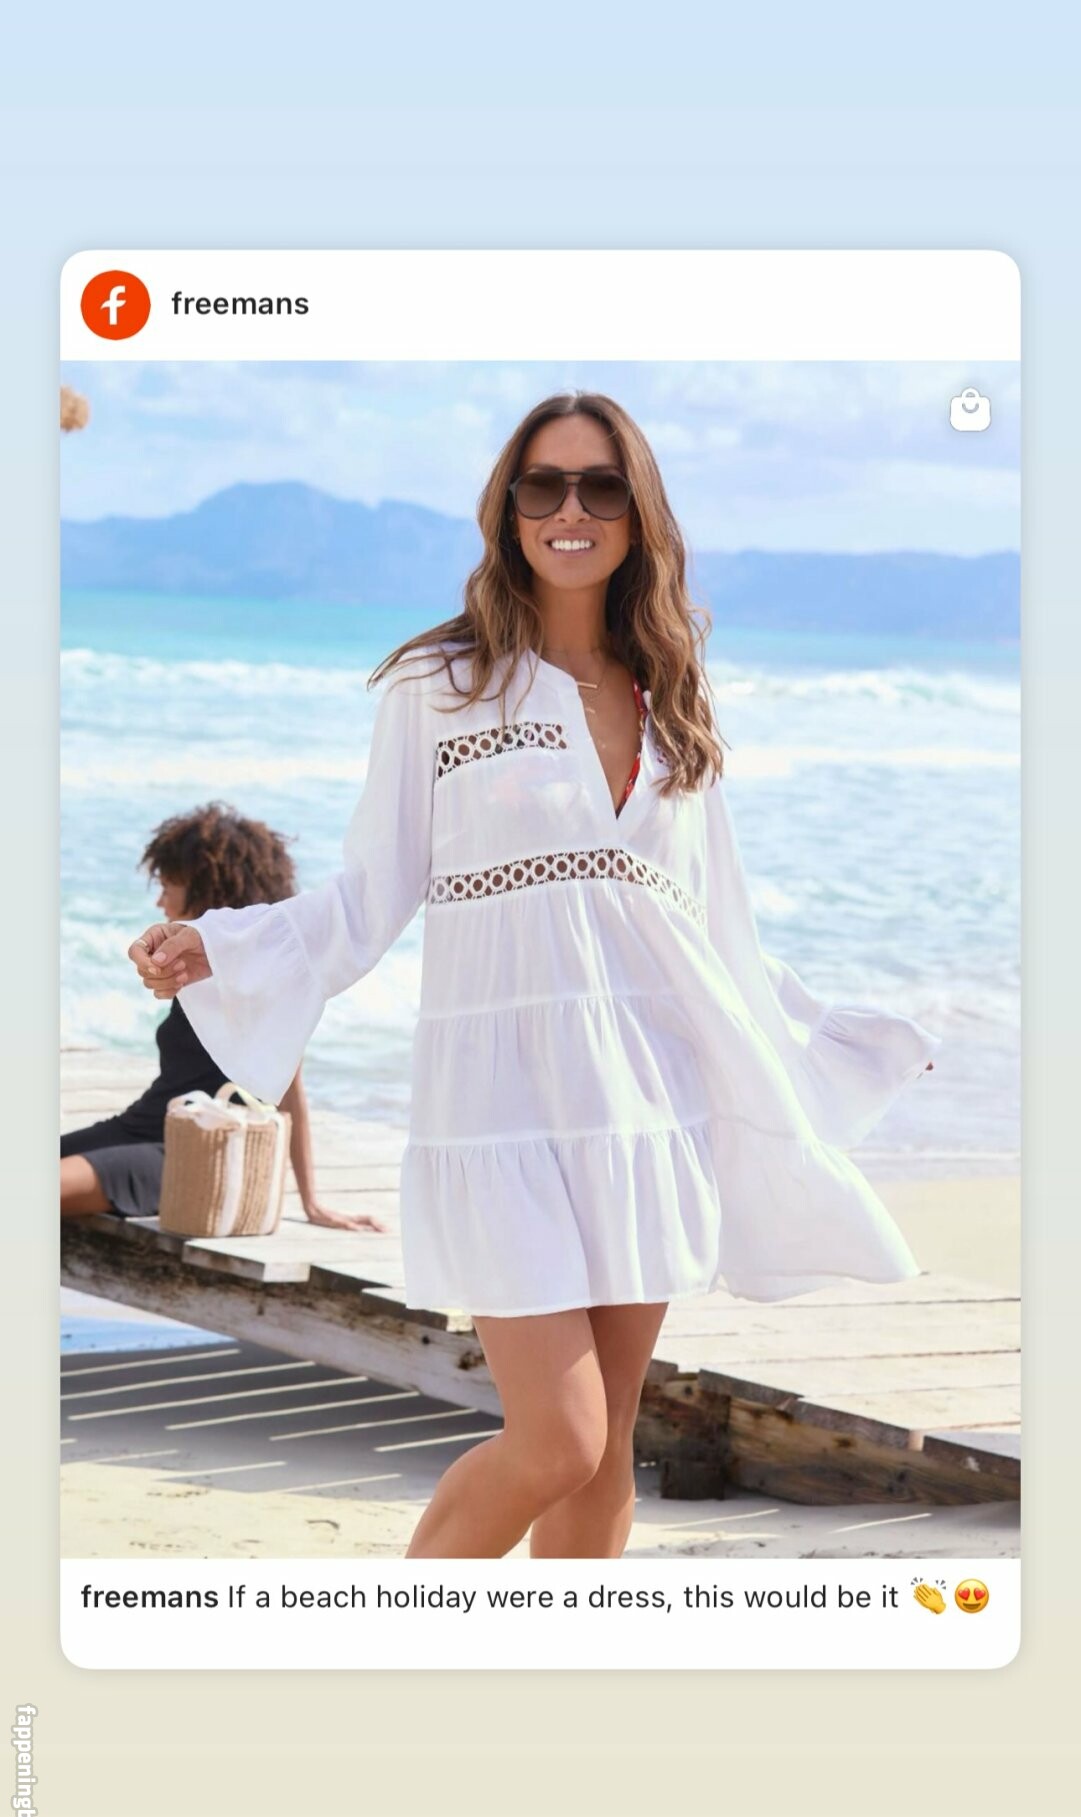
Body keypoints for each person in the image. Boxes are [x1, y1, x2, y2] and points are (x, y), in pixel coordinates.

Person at [127, 391, 936, 1560]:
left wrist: (831, 1037)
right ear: (508, 509)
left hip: (648, 1103)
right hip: (498, 1103)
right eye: (543, 485)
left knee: (605, 1456)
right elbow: (371, 888)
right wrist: (229, 942)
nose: (570, 509)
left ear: (635, 513)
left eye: (600, 486)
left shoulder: (671, 695)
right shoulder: (442, 685)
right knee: (556, 1438)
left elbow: (711, 926)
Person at [64, 802, 387, 1237]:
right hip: (137, 1126)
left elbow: (290, 1090)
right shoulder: (194, 971)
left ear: (203, 888)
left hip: (191, 1152)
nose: (159, 901)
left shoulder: (256, 981)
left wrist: (312, 1203)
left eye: (167, 885)